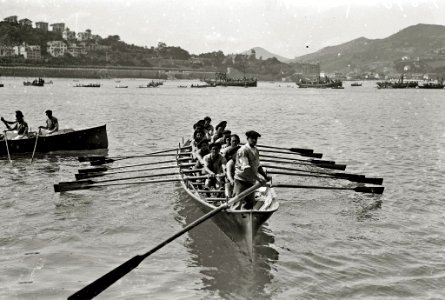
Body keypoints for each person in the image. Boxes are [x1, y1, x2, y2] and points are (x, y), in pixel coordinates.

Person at [233, 130, 270, 209]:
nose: (254, 140)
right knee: (237, 203)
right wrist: (258, 178)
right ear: (247, 138)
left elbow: (258, 166)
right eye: (252, 138)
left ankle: (244, 218)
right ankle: (233, 218)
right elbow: (246, 168)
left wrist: (265, 176)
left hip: (251, 181)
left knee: (250, 204)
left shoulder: (256, 150)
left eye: (256, 139)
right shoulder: (243, 150)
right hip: (241, 181)